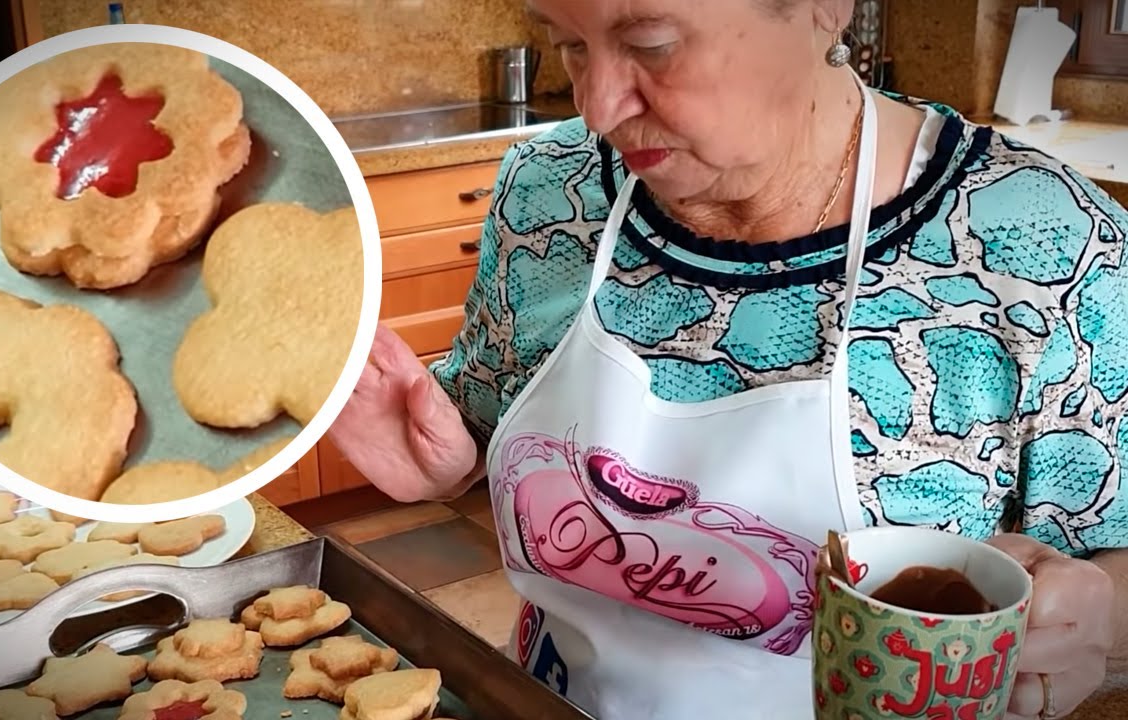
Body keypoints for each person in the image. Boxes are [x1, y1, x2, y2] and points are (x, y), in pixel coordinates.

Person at [327, 1, 1128, 718]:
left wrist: (1103, 625)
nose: (598, 105)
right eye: (567, 43)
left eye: (654, 43)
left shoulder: (1042, 246)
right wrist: (453, 463)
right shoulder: (551, 194)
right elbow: (493, 419)